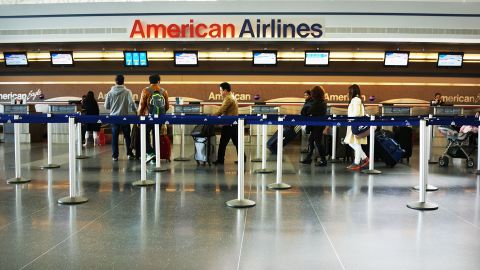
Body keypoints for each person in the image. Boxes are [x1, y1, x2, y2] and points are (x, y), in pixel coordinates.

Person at [137, 74, 170, 163]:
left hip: (148, 117)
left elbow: (141, 106)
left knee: (143, 134)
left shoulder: (146, 91)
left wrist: (139, 118)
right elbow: (166, 106)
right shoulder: (164, 91)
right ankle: (155, 158)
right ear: (159, 81)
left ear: (149, 81)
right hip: (159, 118)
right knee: (156, 136)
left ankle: (150, 152)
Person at [104, 75, 137, 161]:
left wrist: (113, 107)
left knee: (115, 137)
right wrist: (135, 111)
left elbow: (106, 106)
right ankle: (129, 154)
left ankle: (115, 156)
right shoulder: (127, 92)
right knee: (127, 136)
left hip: (114, 118)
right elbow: (131, 103)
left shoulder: (110, 93)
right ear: (123, 81)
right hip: (124, 117)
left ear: (115, 82)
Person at [213, 82, 241, 165]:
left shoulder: (228, 99)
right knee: (237, 143)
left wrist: (212, 117)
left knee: (223, 143)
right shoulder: (232, 97)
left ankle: (220, 160)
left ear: (225, 90)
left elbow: (221, 110)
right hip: (233, 124)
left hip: (229, 125)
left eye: (221, 90)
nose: (220, 92)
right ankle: (243, 158)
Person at [344, 84, 369, 170]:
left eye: (349, 91)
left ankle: (357, 162)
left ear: (352, 91)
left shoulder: (356, 100)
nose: (348, 93)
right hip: (354, 123)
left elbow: (356, 113)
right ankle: (364, 158)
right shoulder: (357, 100)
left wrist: (350, 119)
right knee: (351, 142)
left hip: (355, 123)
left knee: (355, 143)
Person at [301, 86, 328, 166]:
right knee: (311, 140)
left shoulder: (317, 103)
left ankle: (323, 160)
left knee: (318, 142)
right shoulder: (322, 102)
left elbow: (308, 112)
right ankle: (309, 158)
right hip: (319, 125)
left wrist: (306, 109)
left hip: (317, 125)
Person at [300, 90, 315, 162]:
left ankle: (308, 150)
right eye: (304, 95)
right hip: (306, 121)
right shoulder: (308, 102)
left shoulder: (310, 103)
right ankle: (306, 149)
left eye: (306, 95)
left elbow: (305, 112)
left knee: (309, 137)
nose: (305, 96)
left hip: (308, 122)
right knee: (306, 136)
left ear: (310, 95)